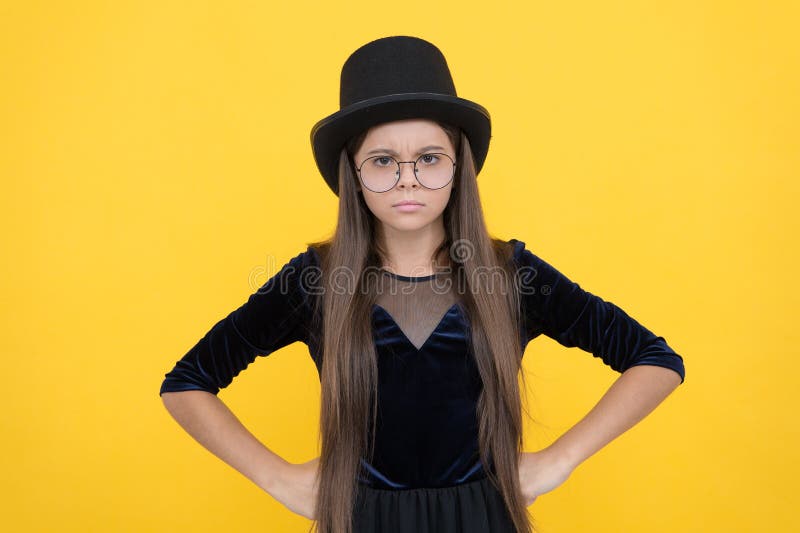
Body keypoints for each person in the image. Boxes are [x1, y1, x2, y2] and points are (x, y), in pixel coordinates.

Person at [159, 36, 686, 533]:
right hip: (360, 518)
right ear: (354, 174)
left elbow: (655, 360)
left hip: (484, 517)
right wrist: (278, 478)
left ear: (459, 168)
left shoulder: (510, 275)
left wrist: (559, 461)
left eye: (429, 159)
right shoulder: (315, 281)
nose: (407, 178)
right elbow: (187, 383)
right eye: (383, 161)